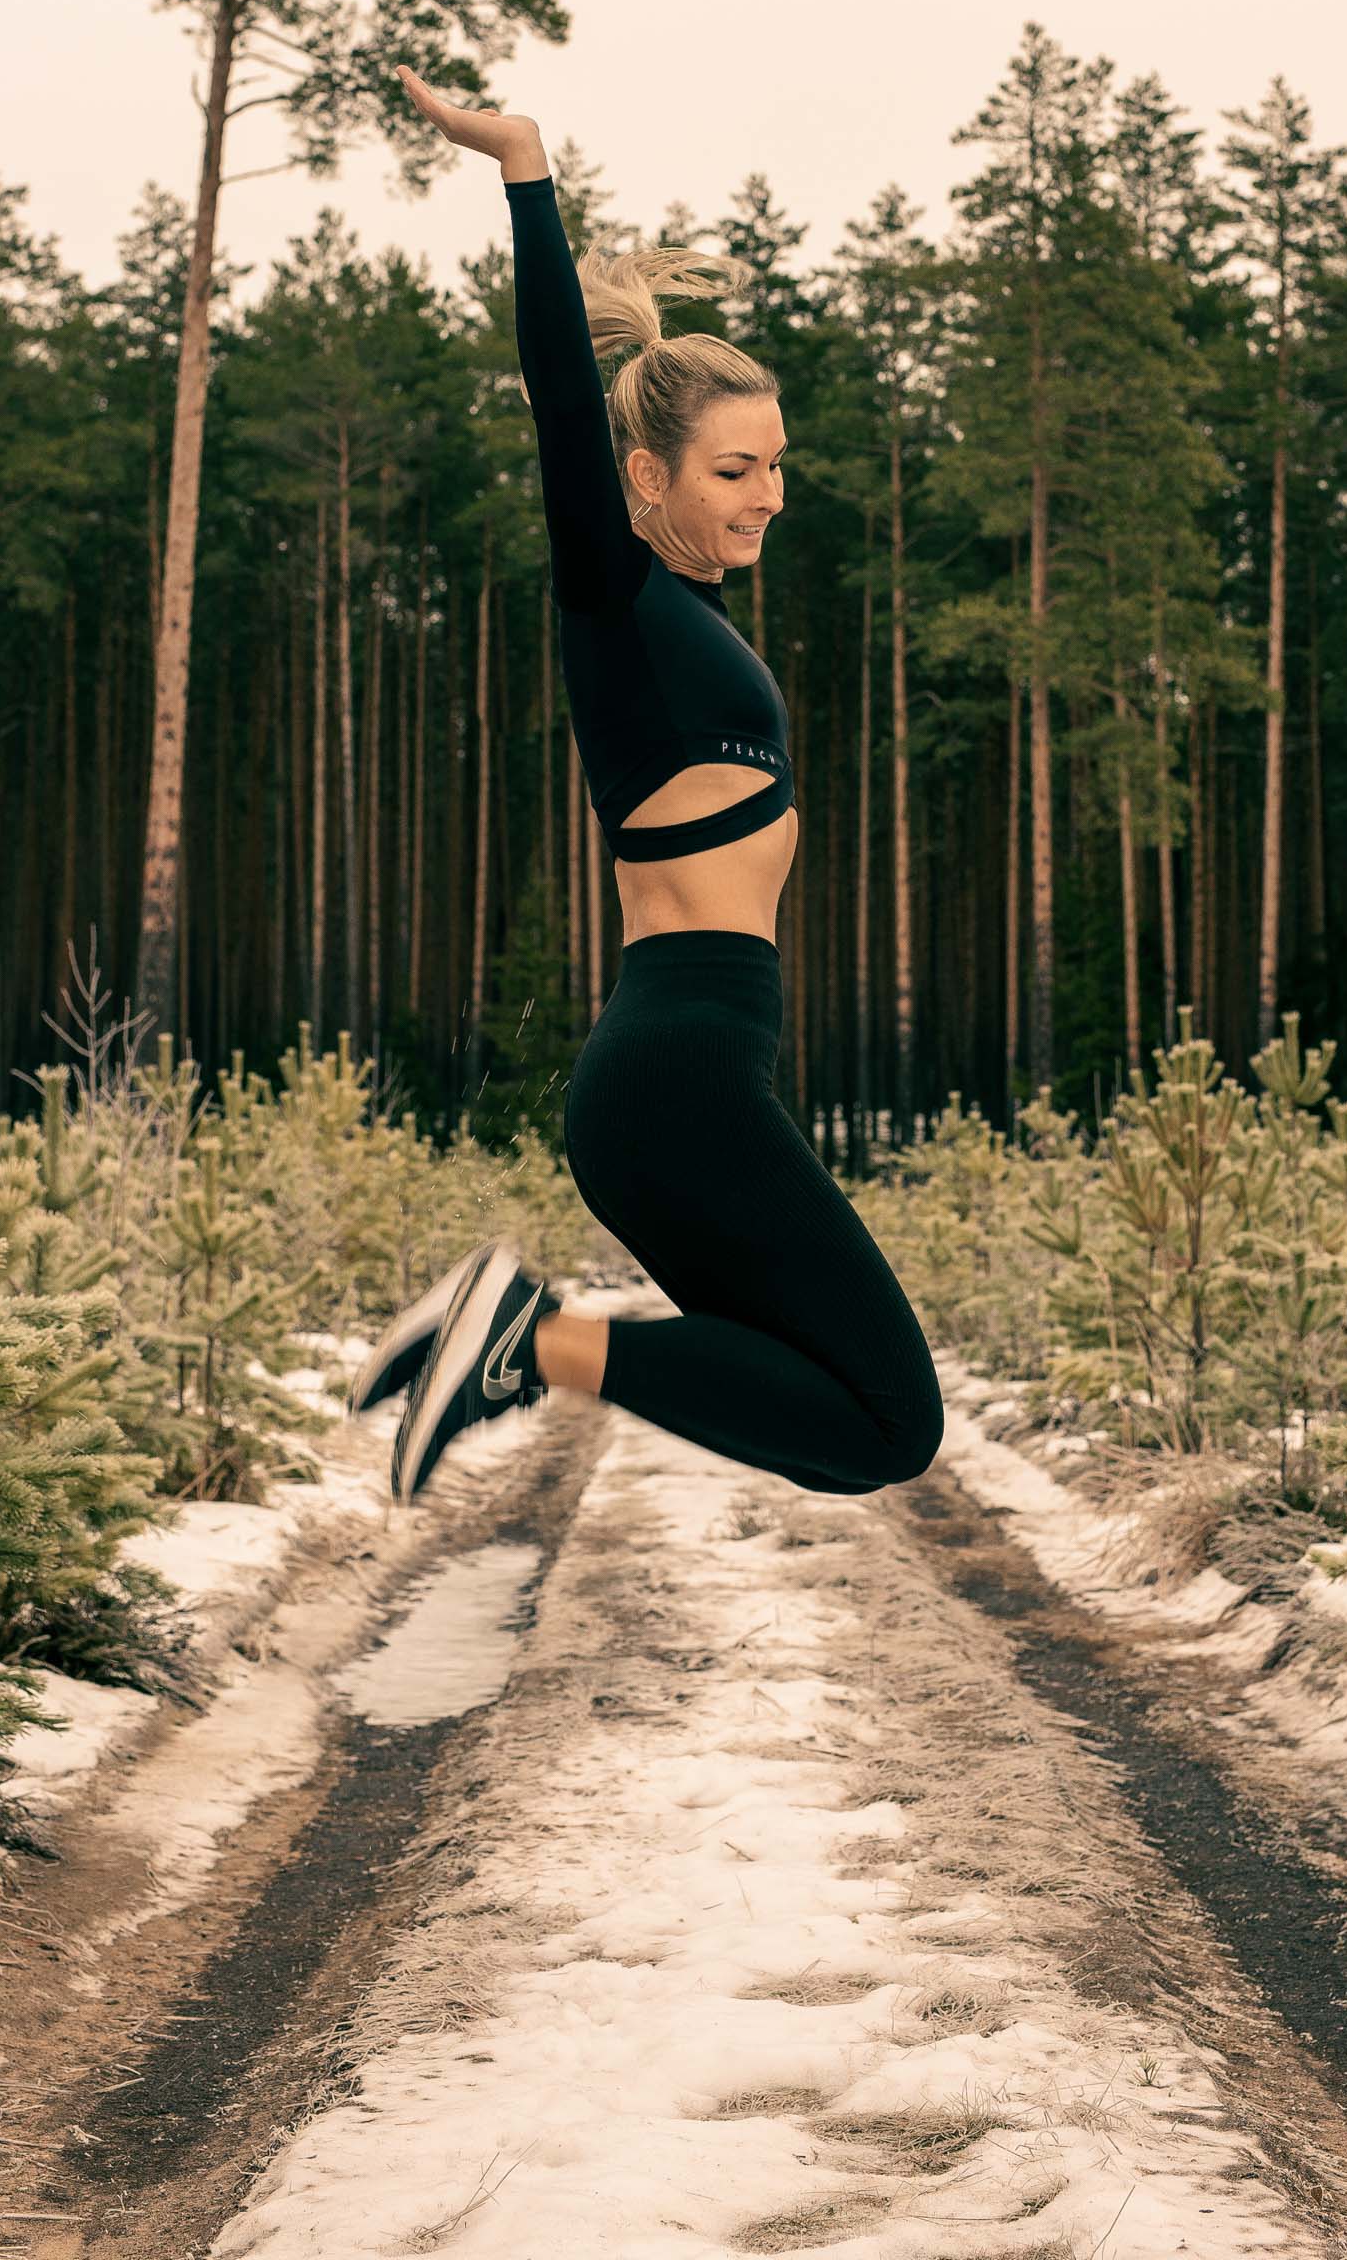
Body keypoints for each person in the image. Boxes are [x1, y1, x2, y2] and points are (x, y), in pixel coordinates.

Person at [351, 75, 945, 1506]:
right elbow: (559, 386)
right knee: (890, 1423)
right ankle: (529, 1339)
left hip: (690, 1075)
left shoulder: (693, 627)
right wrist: (525, 176)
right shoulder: (615, 600)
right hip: (676, 1079)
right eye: (736, 469)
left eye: (779, 467)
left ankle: (521, 1339)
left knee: (849, 1409)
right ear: (643, 474)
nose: (768, 495)